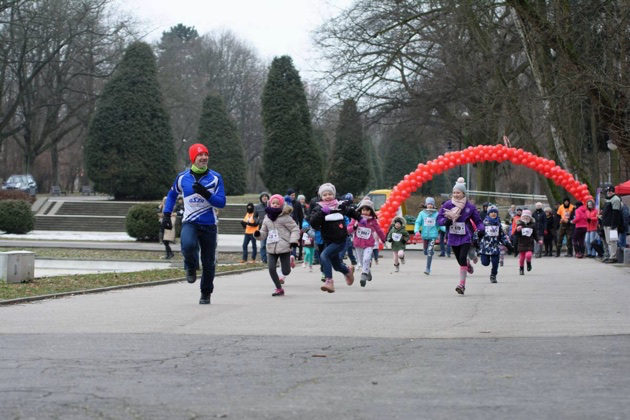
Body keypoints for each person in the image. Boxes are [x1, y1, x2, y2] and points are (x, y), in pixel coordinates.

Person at [162, 143, 226, 305]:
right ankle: (190, 266)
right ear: (193, 158)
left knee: (208, 261)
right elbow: (171, 195)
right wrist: (167, 215)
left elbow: (221, 203)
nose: (204, 158)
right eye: (200, 155)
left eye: (206, 155)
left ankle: (206, 293)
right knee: (188, 245)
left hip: (209, 224)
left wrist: (205, 192)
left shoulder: (216, 177)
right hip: (190, 222)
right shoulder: (183, 177)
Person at [309, 183, 360, 293]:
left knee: (324, 255)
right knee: (336, 265)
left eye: (330, 194)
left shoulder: (340, 205)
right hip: (328, 240)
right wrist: (322, 213)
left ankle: (329, 281)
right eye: (325, 194)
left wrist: (361, 219)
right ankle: (347, 271)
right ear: (321, 196)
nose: (327, 196)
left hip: (340, 239)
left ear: (334, 195)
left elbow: (351, 211)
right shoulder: (319, 208)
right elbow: (313, 222)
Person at [437, 177, 484, 295]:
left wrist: (481, 229)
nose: (456, 195)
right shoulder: (448, 204)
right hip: (452, 236)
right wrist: (445, 222)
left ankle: (461, 285)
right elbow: (439, 219)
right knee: (460, 260)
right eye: (454, 192)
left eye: (458, 192)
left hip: (466, 236)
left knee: (462, 257)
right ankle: (467, 265)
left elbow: (478, 221)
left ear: (463, 193)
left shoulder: (470, 207)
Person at [254, 194, 300, 296]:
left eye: (277, 203)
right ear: (270, 203)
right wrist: (258, 234)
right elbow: (264, 232)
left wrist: (293, 240)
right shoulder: (267, 218)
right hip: (271, 247)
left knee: (286, 271)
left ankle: (290, 260)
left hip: (284, 246)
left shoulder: (285, 217)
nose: (275, 205)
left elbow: (295, 229)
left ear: (281, 204)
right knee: (271, 268)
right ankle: (279, 288)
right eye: (273, 203)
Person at [347, 199, 386, 287]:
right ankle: (368, 272)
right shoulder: (355, 219)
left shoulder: (372, 221)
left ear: (371, 211)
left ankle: (364, 275)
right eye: (363, 210)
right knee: (361, 262)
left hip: (369, 244)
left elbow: (379, 230)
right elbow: (348, 230)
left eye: (367, 210)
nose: (365, 212)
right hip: (358, 245)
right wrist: (354, 227)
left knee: (366, 259)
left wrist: (383, 239)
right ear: (360, 210)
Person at [478, 205, 512, 283]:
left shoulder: (498, 224)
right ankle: (486, 260)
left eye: (495, 212)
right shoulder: (483, 223)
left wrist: (508, 245)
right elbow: (476, 234)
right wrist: (477, 239)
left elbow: (503, 236)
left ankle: (493, 275)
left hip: (495, 246)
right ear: (488, 214)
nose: (493, 213)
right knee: (485, 263)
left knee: (495, 262)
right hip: (485, 247)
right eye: (491, 212)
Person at [413, 197, 443, 275]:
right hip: (425, 236)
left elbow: (440, 225)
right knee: (426, 252)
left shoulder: (437, 214)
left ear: (433, 205)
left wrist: (447, 230)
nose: (430, 205)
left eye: (431, 204)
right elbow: (417, 223)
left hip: (433, 236)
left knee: (429, 252)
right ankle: (427, 251)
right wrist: (416, 231)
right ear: (426, 205)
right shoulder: (422, 213)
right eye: (428, 204)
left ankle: (428, 269)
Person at [514, 209, 541, 275]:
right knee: (522, 258)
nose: (526, 218)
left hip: (529, 243)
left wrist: (538, 240)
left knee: (528, 255)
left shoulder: (532, 225)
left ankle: (528, 263)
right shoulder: (519, 224)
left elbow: (535, 234)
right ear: (522, 217)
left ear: (530, 218)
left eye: (527, 217)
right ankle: (521, 268)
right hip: (521, 243)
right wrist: (517, 230)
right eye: (524, 216)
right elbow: (515, 234)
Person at [601, 186, 623, 263]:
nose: (608, 192)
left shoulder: (615, 199)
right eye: (607, 191)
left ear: (611, 191)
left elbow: (616, 213)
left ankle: (613, 256)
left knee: (613, 241)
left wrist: (614, 224)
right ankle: (611, 255)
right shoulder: (609, 199)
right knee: (608, 241)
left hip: (611, 224)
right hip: (606, 223)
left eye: (608, 191)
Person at [253, 192, 270, 264]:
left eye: (266, 196)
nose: (265, 197)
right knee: (263, 245)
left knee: (270, 245)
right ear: (261, 198)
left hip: (271, 228)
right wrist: (259, 221)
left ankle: (271, 260)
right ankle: (264, 260)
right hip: (262, 229)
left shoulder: (271, 206)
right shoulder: (257, 207)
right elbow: (254, 217)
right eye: (263, 196)